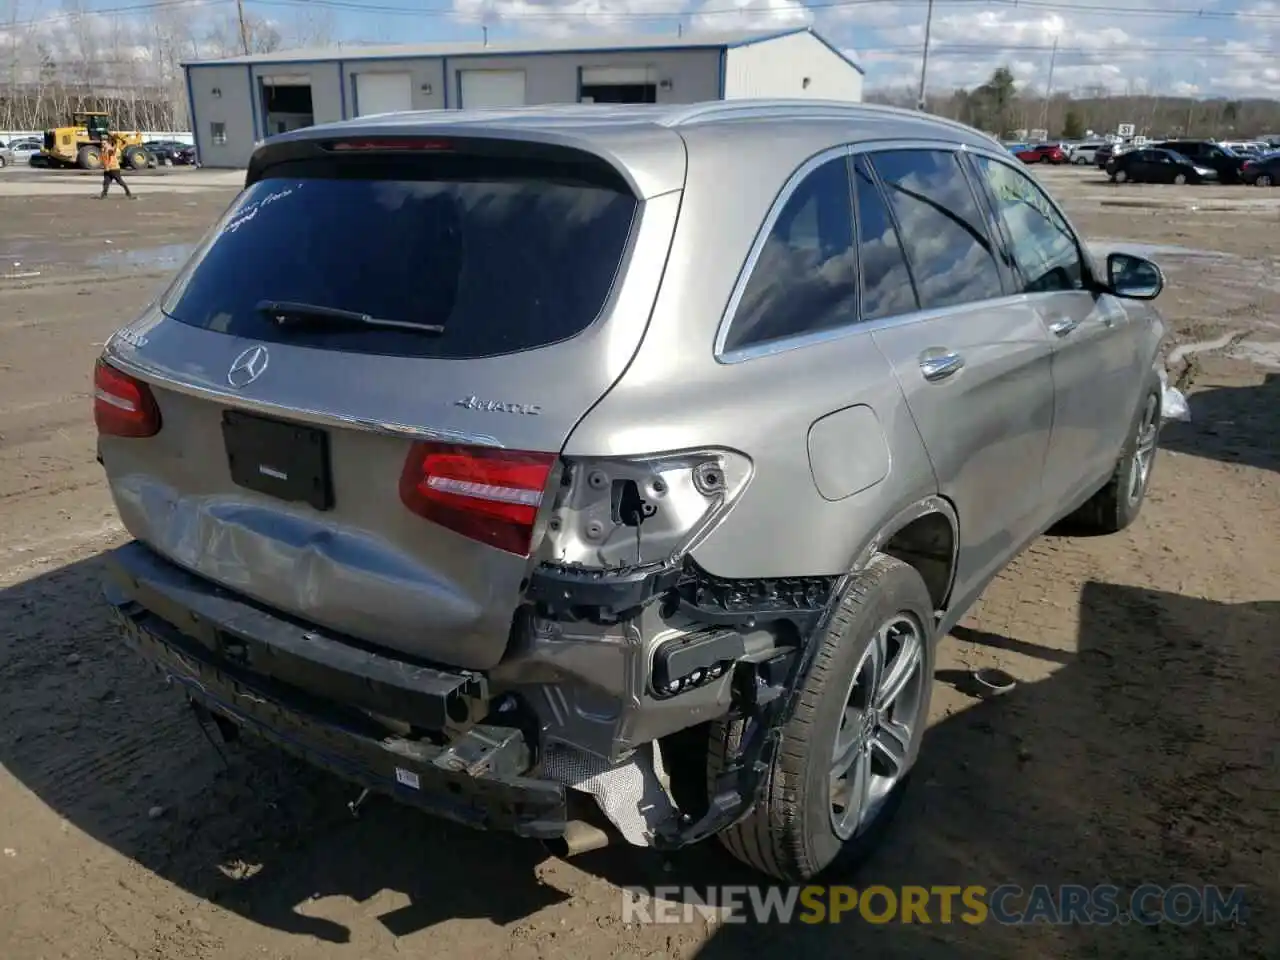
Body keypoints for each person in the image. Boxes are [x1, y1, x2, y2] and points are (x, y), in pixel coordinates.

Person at [98, 135, 134, 200]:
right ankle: (104, 195)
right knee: (106, 182)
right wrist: (104, 166)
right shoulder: (103, 150)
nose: (103, 144)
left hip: (114, 169)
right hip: (107, 170)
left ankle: (128, 193)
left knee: (120, 182)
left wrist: (108, 166)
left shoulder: (109, 149)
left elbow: (112, 153)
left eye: (104, 143)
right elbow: (104, 159)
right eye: (102, 143)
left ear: (108, 143)